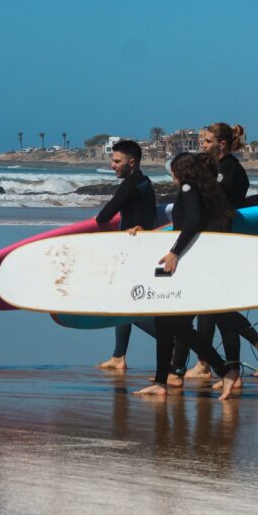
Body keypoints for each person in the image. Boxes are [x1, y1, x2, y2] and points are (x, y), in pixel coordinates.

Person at [133, 153, 240, 402]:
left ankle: (225, 370)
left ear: (179, 172)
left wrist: (174, 253)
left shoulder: (189, 187)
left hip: (189, 266)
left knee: (175, 325)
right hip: (198, 264)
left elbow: (192, 223)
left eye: (172, 170)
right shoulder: (206, 190)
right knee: (164, 323)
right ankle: (161, 381)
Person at [177, 123, 258, 380]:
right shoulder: (217, 169)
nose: (202, 144)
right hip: (212, 241)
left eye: (207, 141)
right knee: (211, 305)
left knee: (214, 305)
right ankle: (211, 364)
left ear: (221, 144)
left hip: (221, 243)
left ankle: (249, 353)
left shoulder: (231, 170)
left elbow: (218, 204)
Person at [94, 140, 157, 370]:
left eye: (116, 161)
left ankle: (175, 339)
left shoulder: (130, 185)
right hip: (141, 248)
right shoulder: (145, 182)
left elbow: (104, 215)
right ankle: (119, 356)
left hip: (133, 251)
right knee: (125, 302)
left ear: (132, 162)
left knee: (128, 307)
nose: (112, 165)